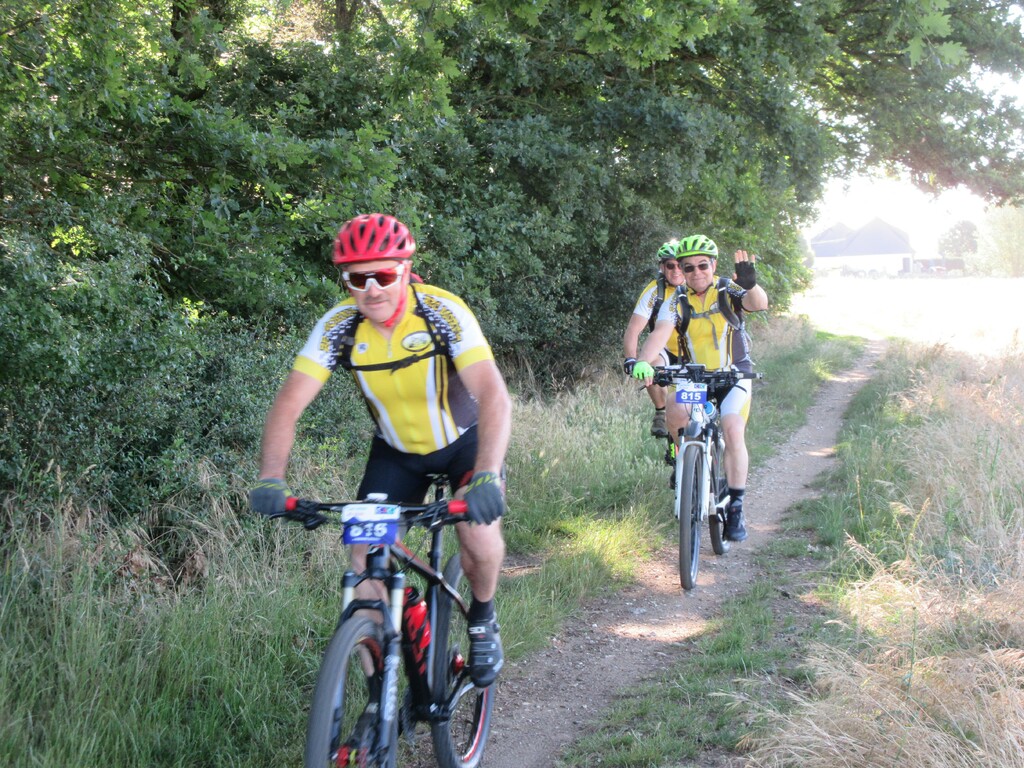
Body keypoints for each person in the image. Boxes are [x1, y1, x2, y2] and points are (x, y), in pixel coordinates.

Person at [249, 213, 512, 688]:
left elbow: (493, 395)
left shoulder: (443, 311)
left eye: (384, 276)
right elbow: (287, 406)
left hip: (464, 446)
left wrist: (488, 473)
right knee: (364, 559)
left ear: (406, 270)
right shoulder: (339, 326)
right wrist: (272, 477)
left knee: (477, 535)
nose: (371, 290)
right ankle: (380, 698)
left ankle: (482, 618)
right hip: (396, 453)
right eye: (357, 278)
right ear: (345, 281)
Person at [631, 234, 768, 543]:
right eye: (688, 267)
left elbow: (758, 304)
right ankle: (687, 468)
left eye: (702, 265)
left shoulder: (727, 289)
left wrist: (750, 285)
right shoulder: (676, 300)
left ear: (713, 265)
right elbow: (659, 333)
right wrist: (643, 361)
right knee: (675, 413)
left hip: (734, 375)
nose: (696, 273)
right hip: (694, 377)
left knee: (733, 429)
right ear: (681, 270)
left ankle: (736, 506)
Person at [622, 241, 687, 438]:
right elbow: (633, 329)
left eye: (680, 265)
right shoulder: (654, 292)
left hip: (693, 350)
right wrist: (631, 359)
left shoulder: (696, 287)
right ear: (662, 267)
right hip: (665, 349)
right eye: (670, 265)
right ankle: (661, 411)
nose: (676, 270)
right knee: (650, 364)